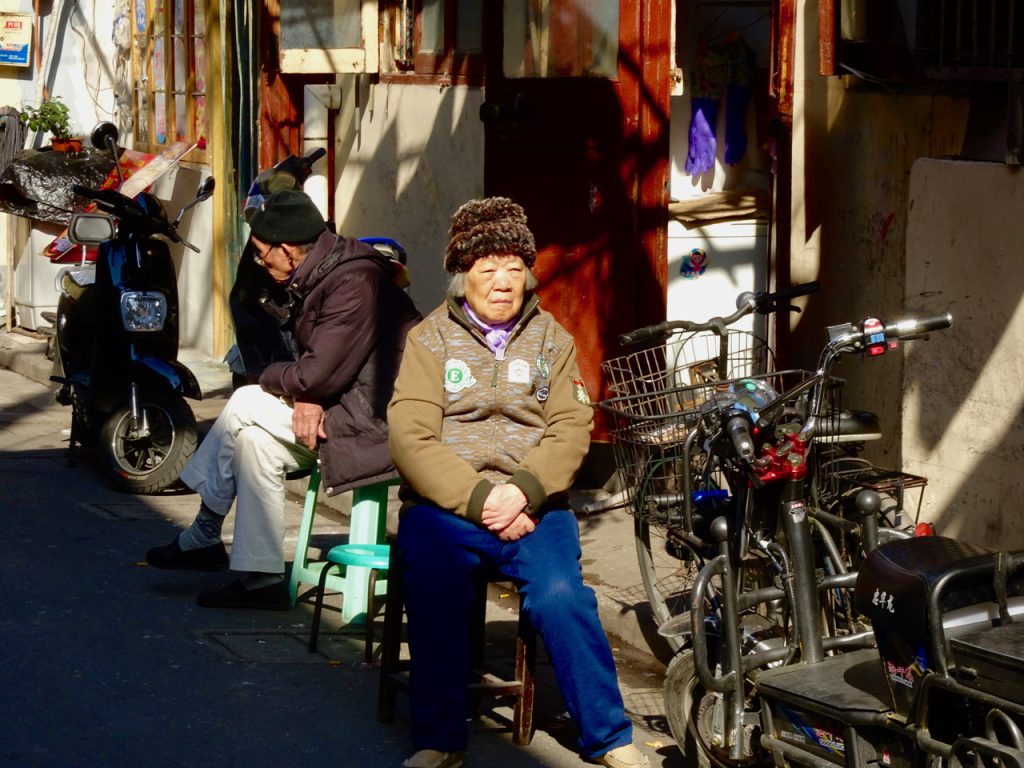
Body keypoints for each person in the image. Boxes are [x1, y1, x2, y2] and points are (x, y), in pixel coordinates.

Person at [387, 197, 649, 768]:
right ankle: (439, 739)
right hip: (447, 508)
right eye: (488, 269)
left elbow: (571, 426)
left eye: (513, 268)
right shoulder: (429, 339)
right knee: (435, 582)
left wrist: (525, 491)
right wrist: (481, 499)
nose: (503, 282)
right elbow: (411, 438)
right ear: (463, 276)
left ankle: (609, 737)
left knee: (562, 596)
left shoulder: (551, 339)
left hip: (535, 505)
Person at [146, 189, 421, 610]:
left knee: (245, 401)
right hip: (345, 407)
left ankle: (204, 528)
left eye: (261, 254)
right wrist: (304, 391)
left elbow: (314, 374)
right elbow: (315, 371)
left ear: (288, 250)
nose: (259, 262)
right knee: (253, 443)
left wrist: (273, 378)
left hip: (379, 423)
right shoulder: (322, 274)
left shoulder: (354, 282)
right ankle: (263, 577)